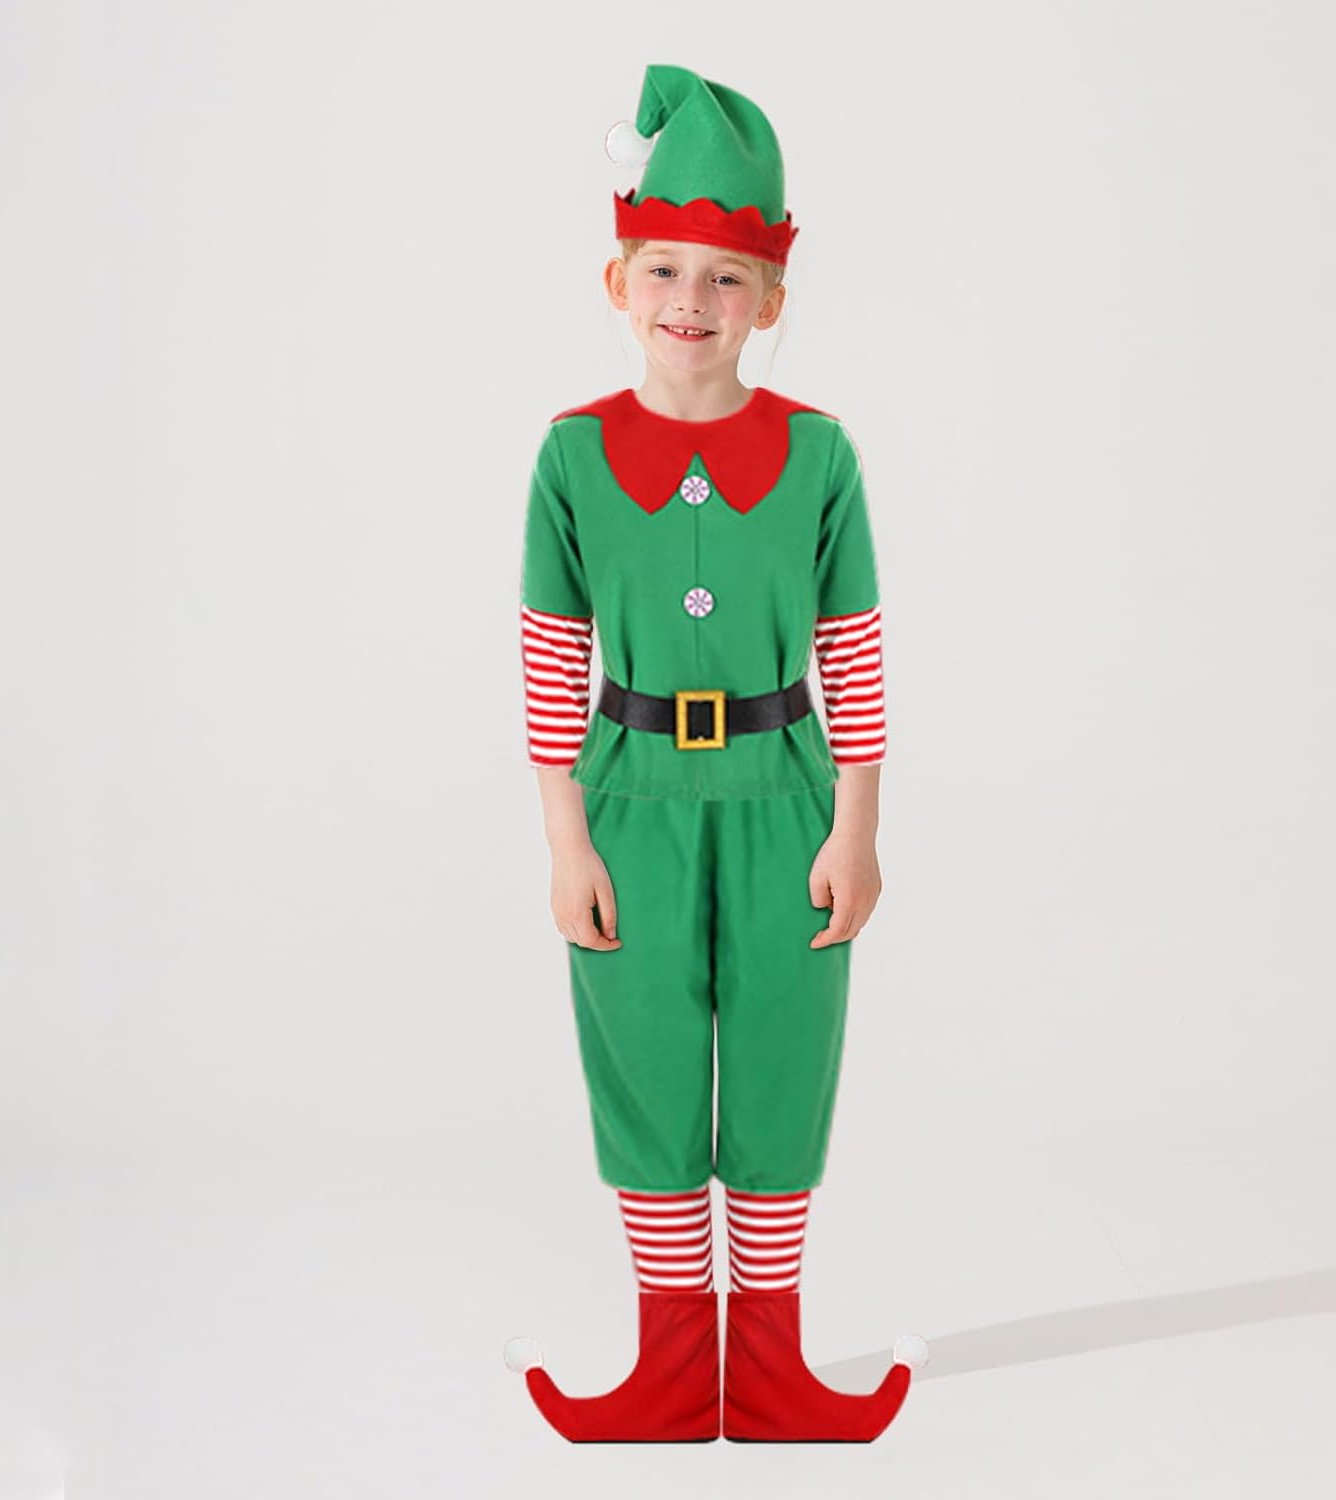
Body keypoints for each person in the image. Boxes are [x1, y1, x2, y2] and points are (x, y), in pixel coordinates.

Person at [503, 63, 927, 1443]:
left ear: (772, 300)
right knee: (645, 1061)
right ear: (616, 281)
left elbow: (853, 649)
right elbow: (551, 656)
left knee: (783, 1062)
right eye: (665, 270)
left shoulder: (820, 455)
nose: (693, 300)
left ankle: (778, 1375)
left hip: (783, 792)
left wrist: (856, 827)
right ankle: (677, 1376)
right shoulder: (573, 456)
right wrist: (567, 841)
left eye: (728, 278)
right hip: (628, 796)